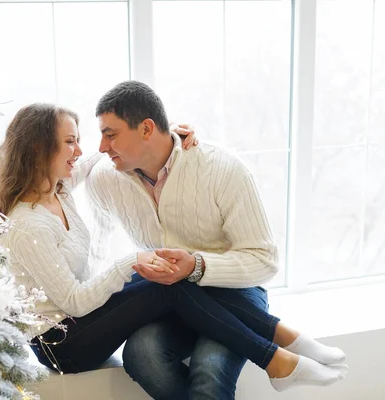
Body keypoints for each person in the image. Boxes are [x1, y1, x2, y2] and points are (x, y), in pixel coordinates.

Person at [0, 102, 347, 395]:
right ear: (39, 148)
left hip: (83, 320)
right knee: (166, 275)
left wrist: (165, 137)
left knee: (171, 273)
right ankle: (280, 352)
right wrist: (131, 262)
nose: (82, 150)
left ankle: (281, 357)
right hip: (64, 344)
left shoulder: (60, 186)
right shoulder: (26, 225)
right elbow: (73, 302)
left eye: (80, 139)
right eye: (70, 141)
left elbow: (107, 155)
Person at [85, 80, 336, 399]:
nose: (102, 146)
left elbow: (264, 260)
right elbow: (97, 247)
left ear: (147, 129)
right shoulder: (105, 178)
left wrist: (197, 266)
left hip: (235, 295)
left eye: (111, 134)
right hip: (168, 297)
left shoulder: (222, 168)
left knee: (210, 368)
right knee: (142, 355)